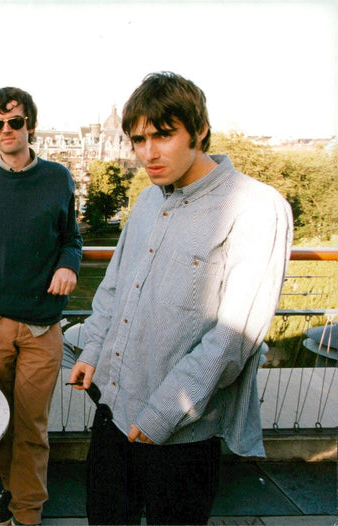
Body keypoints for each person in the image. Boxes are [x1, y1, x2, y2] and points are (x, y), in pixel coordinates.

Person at [69, 71, 293, 525]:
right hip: (113, 411)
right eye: (137, 139)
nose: (147, 153)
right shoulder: (148, 200)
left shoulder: (256, 207)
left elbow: (233, 338)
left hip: (182, 436)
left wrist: (160, 416)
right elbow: (115, 287)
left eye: (164, 135)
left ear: (200, 131)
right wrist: (92, 349)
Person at [0, 87, 83, 526]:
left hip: (43, 324)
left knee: (32, 425)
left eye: (15, 122)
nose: (6, 131)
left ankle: (26, 513)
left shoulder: (57, 177)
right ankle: (10, 492)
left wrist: (69, 266)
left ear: (30, 125)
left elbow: (72, 238)